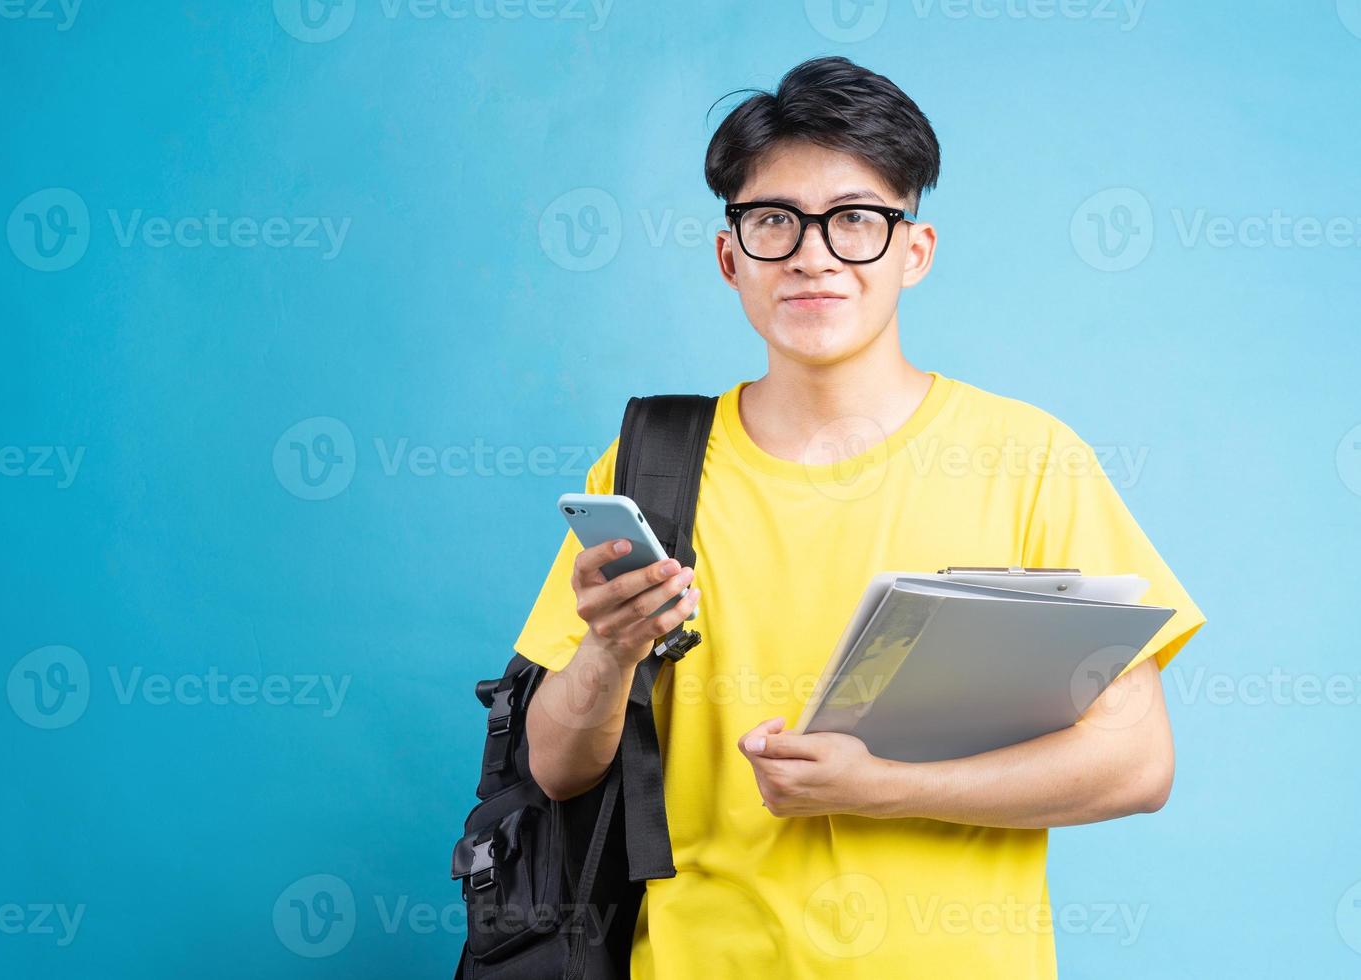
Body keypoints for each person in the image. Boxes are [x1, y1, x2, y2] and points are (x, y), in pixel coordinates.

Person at [514, 56, 1205, 979]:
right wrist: (606, 654)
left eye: (855, 220)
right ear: (731, 256)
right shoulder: (648, 465)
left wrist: (885, 790)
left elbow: (1134, 764)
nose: (813, 253)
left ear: (911, 251)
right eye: (773, 221)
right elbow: (554, 770)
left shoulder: (1027, 459)